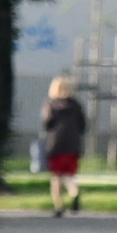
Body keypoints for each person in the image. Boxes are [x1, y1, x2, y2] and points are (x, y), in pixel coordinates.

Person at [40, 78, 87, 216]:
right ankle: (74, 192)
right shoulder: (76, 105)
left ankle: (58, 207)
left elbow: (47, 123)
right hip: (73, 145)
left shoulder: (51, 104)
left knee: (56, 176)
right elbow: (83, 125)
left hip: (56, 144)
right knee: (70, 175)